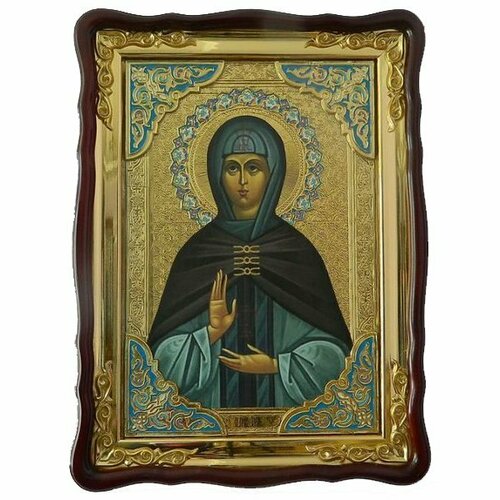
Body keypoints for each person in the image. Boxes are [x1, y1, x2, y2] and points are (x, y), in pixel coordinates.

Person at [148, 115, 352, 408]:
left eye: (253, 167)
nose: (242, 181)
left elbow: (336, 359)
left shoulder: (296, 253)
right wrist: (211, 332)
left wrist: (276, 365)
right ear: (216, 174)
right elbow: (160, 367)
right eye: (232, 168)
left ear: (273, 174)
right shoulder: (197, 254)